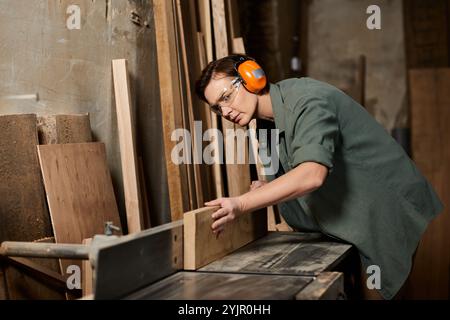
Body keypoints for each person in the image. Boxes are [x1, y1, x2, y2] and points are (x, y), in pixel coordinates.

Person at [195, 54, 443, 300]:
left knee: (384, 292)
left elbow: (311, 174)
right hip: (352, 216)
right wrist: (268, 187)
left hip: (387, 207)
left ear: (253, 77)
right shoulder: (264, 124)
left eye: (226, 97)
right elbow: (297, 169)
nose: (225, 111)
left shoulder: (307, 101)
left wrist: (240, 204)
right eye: (217, 107)